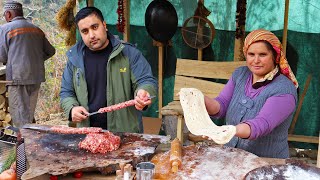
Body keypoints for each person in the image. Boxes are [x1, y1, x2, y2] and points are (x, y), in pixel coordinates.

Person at [60, 7, 157, 133]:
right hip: (87, 135)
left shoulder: (128, 53)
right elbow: (66, 92)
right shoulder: (74, 59)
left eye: (95, 27)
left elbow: (146, 80)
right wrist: (72, 108)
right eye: (85, 31)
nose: (92, 35)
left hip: (124, 134)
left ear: (104, 25)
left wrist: (144, 92)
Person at [204, 29, 298, 158]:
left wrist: (229, 131)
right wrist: (200, 100)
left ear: (275, 56)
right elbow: (221, 105)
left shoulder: (284, 90)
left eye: (262, 54)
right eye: (251, 54)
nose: (256, 60)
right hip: (231, 157)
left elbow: (261, 124)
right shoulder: (240, 74)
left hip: (266, 164)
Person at [0, 1, 56, 128]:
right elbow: (51, 51)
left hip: (17, 79)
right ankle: (29, 145)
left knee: (19, 119)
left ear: (8, 14)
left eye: (4, 15)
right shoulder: (36, 29)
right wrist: (35, 60)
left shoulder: (5, 29)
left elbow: (2, 56)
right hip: (35, 78)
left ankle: (23, 147)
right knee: (29, 117)